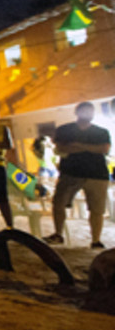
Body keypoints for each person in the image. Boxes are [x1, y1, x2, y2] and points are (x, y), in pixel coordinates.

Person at [48, 102, 110, 249]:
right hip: (70, 173)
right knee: (59, 203)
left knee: (97, 209)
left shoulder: (101, 132)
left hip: (97, 174)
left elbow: (104, 149)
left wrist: (79, 146)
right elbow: (61, 148)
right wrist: (91, 148)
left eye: (90, 111)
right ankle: (58, 234)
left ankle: (96, 240)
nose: (88, 114)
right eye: (85, 111)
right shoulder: (65, 130)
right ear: (77, 112)